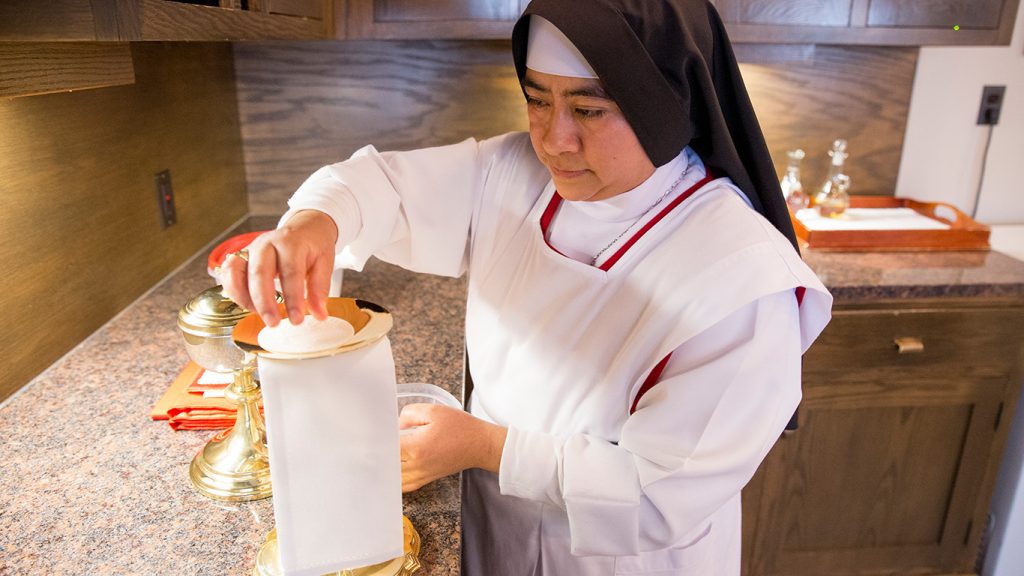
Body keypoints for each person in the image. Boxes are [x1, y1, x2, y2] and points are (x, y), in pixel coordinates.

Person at [222, 0, 832, 573]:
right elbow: (378, 186)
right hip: (495, 525)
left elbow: (661, 495)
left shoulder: (742, 280)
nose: (553, 139)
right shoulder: (512, 171)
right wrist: (312, 225)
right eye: (537, 100)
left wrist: (487, 447)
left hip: (622, 559)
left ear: (662, 104)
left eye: (589, 109)